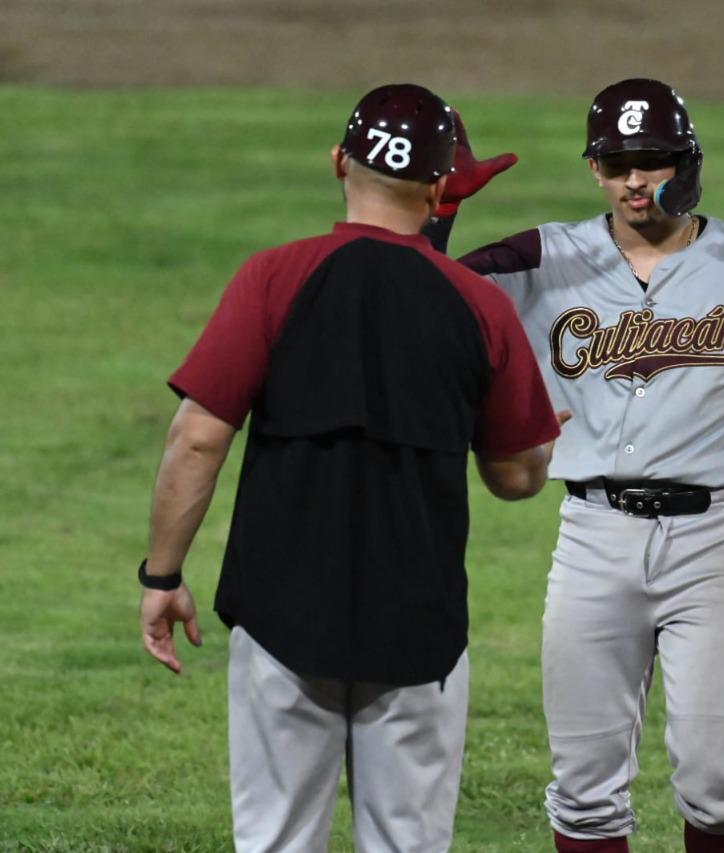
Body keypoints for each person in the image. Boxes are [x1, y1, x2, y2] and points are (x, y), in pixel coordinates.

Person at [429, 79, 724, 852]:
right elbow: (417, 301)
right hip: (592, 537)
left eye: (653, 160)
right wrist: (440, 217)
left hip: (716, 541)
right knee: (585, 790)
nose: (634, 179)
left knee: (716, 782)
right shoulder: (541, 258)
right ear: (594, 168)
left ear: (686, 163)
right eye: (616, 162)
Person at [135, 83, 562, 852]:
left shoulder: (274, 278)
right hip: (419, 626)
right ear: (439, 189)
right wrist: (535, 445)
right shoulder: (478, 304)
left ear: (338, 162)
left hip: (281, 616)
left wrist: (162, 576)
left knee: (275, 840)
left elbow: (196, 439)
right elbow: (516, 476)